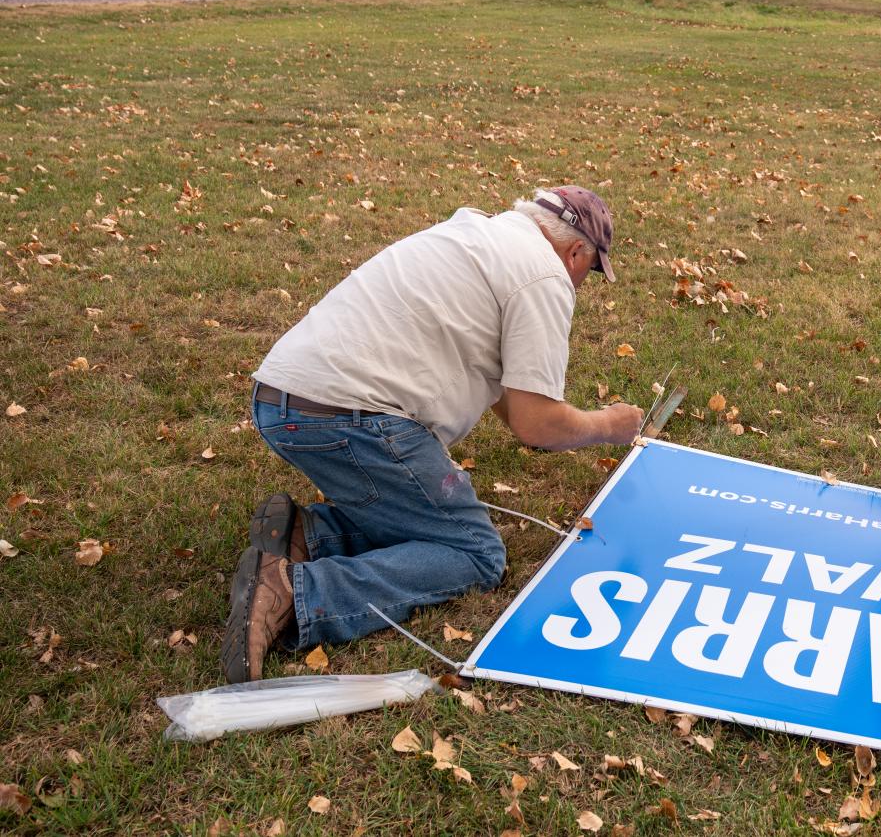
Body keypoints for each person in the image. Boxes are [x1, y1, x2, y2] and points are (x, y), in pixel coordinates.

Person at [224, 187, 644, 683]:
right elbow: (537, 426)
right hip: (351, 417)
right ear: (576, 251)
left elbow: (513, 405)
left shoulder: (476, 232)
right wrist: (610, 425)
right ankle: (300, 593)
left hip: (282, 399)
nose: (581, 283)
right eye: (589, 270)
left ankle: (309, 534)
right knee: (475, 553)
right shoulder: (545, 276)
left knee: (431, 524)